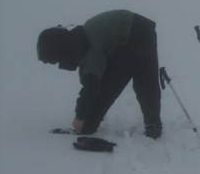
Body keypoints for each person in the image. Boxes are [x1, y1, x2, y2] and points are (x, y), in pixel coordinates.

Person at [37, 9, 163, 139]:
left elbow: (92, 86)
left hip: (131, 34)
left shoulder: (84, 46)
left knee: (108, 87)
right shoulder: (82, 37)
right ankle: (153, 125)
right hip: (145, 29)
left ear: (61, 50)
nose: (59, 63)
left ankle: (88, 125)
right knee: (146, 80)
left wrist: (81, 118)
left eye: (56, 60)